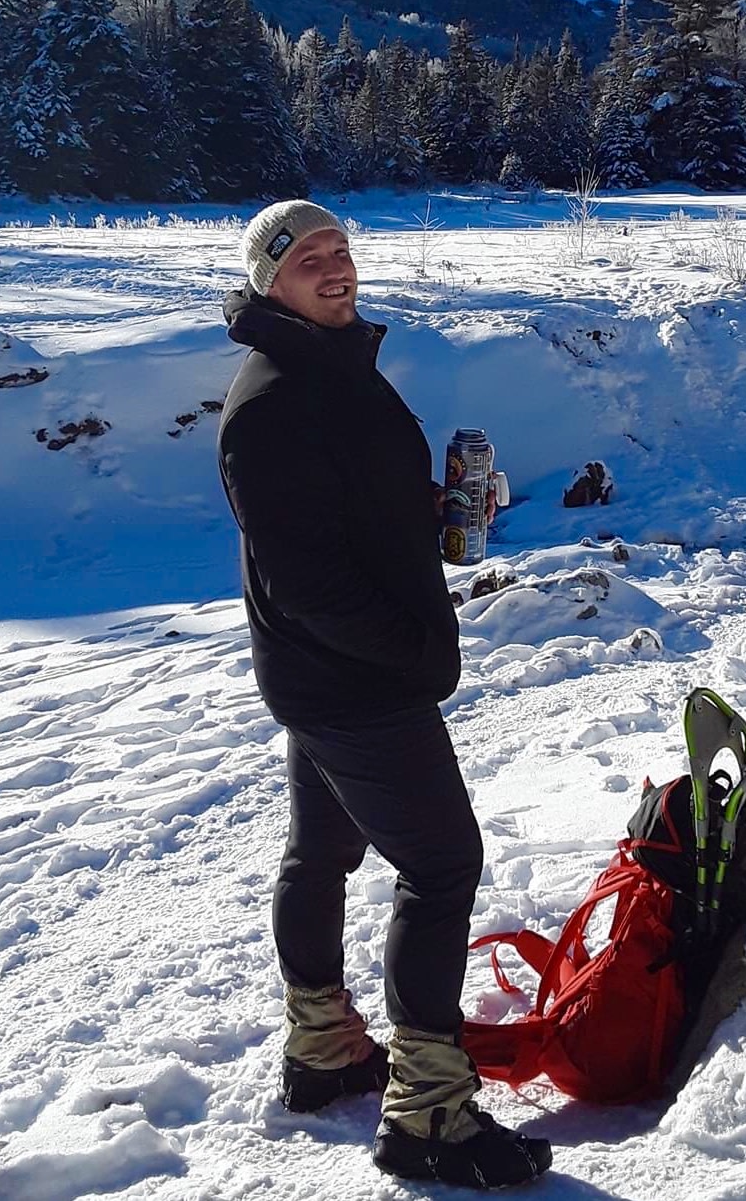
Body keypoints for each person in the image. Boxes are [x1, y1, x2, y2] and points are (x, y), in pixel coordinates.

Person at [217, 200, 551, 1189]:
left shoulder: (331, 370)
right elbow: (305, 579)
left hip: (323, 678)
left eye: (340, 249)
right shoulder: (272, 402)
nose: (334, 266)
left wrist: (446, 507)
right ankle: (430, 1113)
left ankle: (321, 1052)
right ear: (268, 278)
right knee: (443, 866)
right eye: (307, 256)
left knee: (321, 851)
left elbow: (352, 512)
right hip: (353, 682)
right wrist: (409, 653)